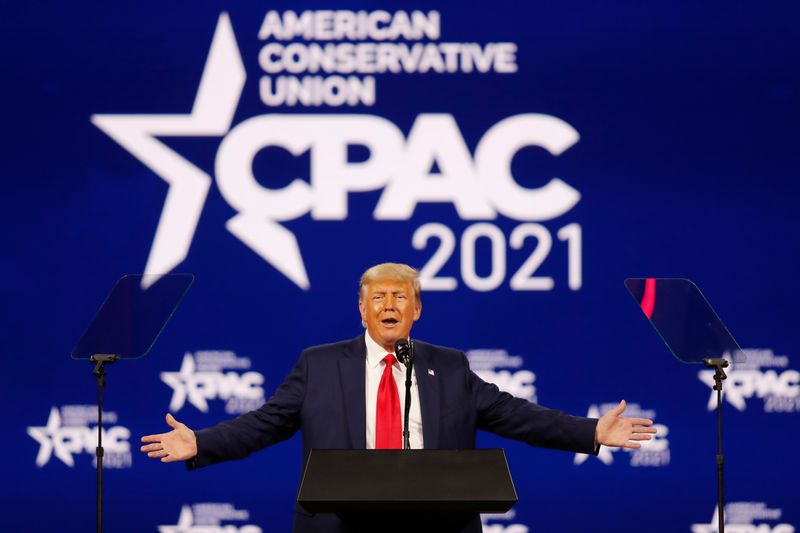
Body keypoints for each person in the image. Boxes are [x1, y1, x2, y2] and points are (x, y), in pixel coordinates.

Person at [141, 263, 656, 532]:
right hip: (341, 523)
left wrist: (590, 431)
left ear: (417, 311)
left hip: (433, 522)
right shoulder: (319, 364)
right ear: (362, 311)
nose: (389, 305)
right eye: (378, 298)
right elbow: (266, 422)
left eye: (400, 298)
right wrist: (202, 443)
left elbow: (514, 415)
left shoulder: (448, 366)